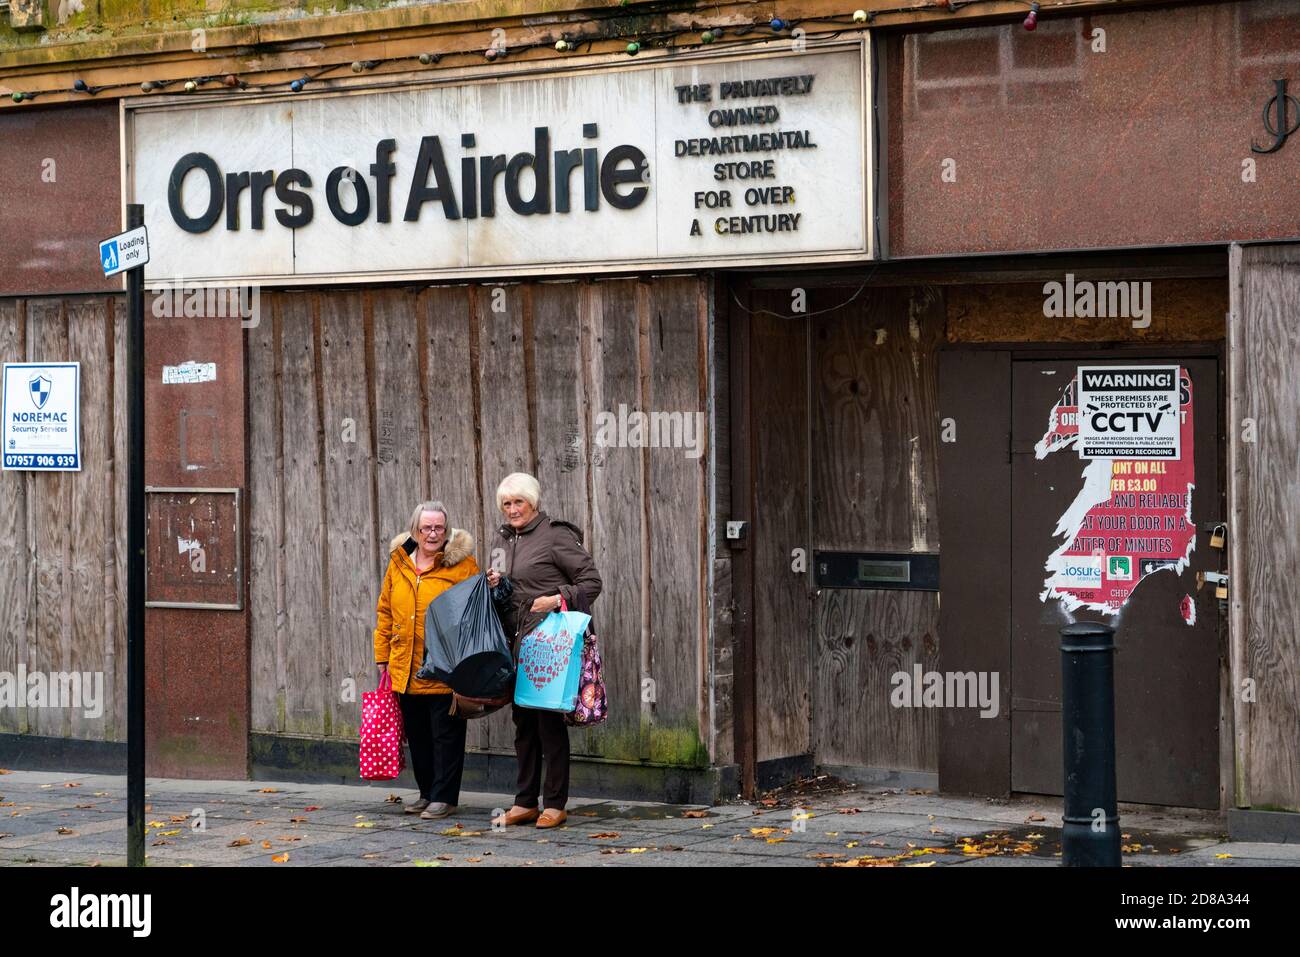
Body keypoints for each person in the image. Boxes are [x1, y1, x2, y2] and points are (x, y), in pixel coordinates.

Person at [486, 472, 601, 829]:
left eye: (518, 502)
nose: (512, 509)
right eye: (506, 504)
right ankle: (525, 802)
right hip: (518, 645)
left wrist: (555, 599)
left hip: (550, 644)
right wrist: (498, 584)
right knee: (523, 727)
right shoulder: (506, 540)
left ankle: (554, 803)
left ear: (532, 502)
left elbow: (591, 582)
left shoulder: (555, 536)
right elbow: (514, 593)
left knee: (549, 725)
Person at [373, 500, 478, 819]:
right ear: (415, 530)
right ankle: (426, 792)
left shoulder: (462, 565)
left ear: (447, 531)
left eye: (438, 528)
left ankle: (445, 797)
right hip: (405, 662)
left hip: (445, 665)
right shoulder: (399, 562)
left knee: (446, 733)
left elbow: (474, 614)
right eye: (426, 528)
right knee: (418, 734)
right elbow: (385, 610)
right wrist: (382, 655)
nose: (432, 534)